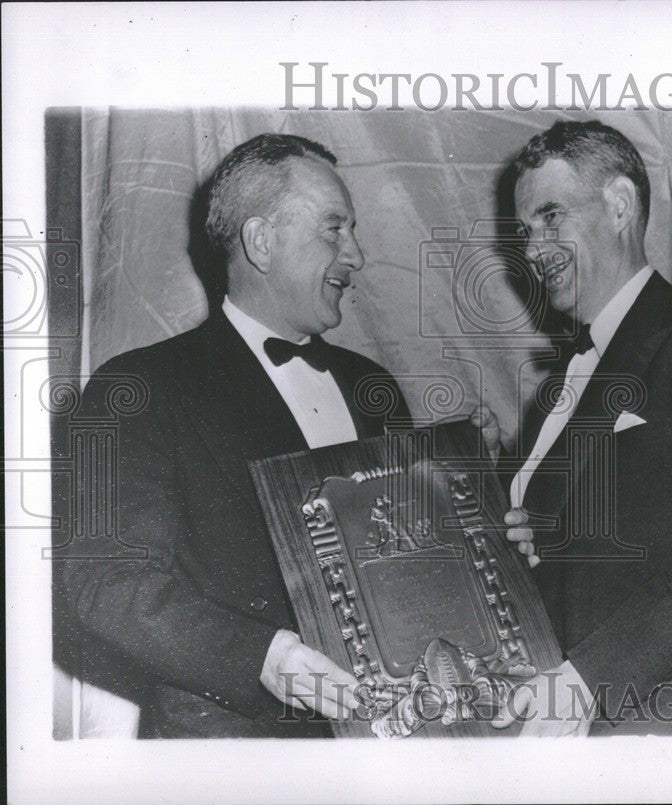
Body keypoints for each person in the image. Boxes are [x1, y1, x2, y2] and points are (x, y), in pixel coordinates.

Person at [58, 134, 414, 738]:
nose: (355, 256)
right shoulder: (137, 387)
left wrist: (477, 527)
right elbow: (106, 582)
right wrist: (267, 662)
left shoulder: (372, 387)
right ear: (260, 241)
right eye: (334, 229)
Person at [495, 120, 672, 736]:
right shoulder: (559, 388)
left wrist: (585, 684)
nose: (532, 248)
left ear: (620, 205)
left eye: (552, 217)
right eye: (524, 230)